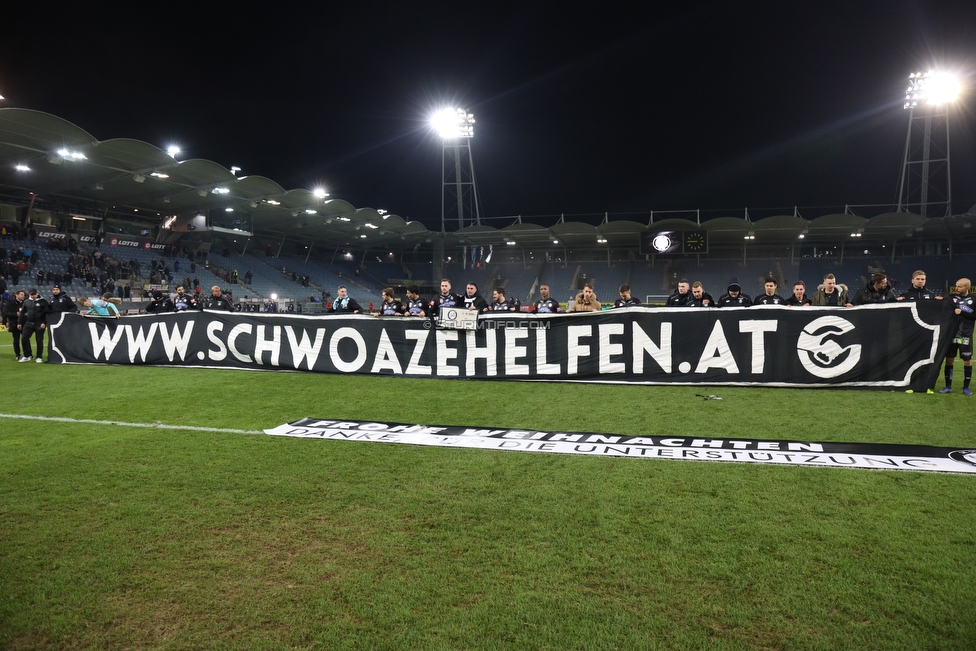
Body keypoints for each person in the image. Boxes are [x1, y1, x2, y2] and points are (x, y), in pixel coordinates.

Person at [940, 278, 974, 396]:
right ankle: (948, 386)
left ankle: (966, 388)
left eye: (960, 286)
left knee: (967, 362)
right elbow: (942, 305)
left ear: (967, 288)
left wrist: (963, 313)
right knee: (949, 360)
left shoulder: (974, 299)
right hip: (951, 335)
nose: (956, 288)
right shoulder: (951, 297)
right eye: (956, 286)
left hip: (966, 335)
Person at [18, 288, 49, 363]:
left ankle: (39, 357)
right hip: (28, 323)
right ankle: (27, 355)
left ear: (37, 293)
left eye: (34, 294)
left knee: (39, 340)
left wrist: (44, 323)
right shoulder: (26, 302)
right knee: (24, 338)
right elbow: (22, 313)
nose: (33, 296)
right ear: (29, 294)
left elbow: (47, 313)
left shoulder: (43, 302)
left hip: (39, 323)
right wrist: (19, 322)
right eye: (31, 295)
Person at [3, 289, 26, 360]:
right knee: (16, 340)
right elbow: (5, 313)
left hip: (24, 323)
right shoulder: (10, 302)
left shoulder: (25, 302)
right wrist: (15, 314)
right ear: (16, 295)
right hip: (14, 323)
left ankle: (28, 354)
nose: (23, 296)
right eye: (21, 294)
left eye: (24, 295)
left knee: (25, 339)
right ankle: (18, 355)